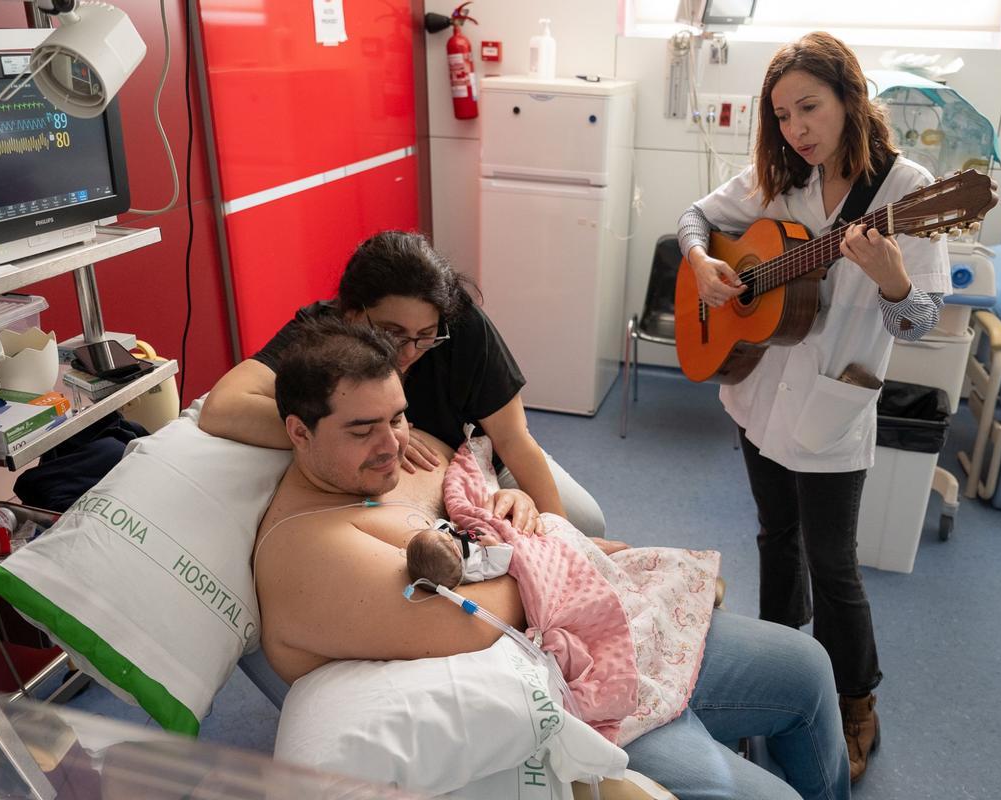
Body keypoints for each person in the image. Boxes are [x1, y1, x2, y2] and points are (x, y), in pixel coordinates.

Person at [254, 316, 851, 800]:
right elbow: (469, 621)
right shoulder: (310, 551)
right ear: (298, 432)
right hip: (568, 696)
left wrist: (513, 504)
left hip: (596, 631)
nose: (392, 445)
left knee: (807, 665)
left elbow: (481, 483)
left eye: (398, 416)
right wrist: (557, 551)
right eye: (362, 430)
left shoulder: (398, 458)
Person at [677, 32, 951, 783]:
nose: (797, 127)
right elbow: (694, 219)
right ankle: (780, 675)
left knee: (833, 566)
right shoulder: (778, 181)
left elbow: (920, 325)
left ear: (849, 98)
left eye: (810, 107)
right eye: (783, 115)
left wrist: (894, 282)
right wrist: (702, 263)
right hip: (758, 392)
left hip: (834, 407)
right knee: (775, 537)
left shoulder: (909, 190)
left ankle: (856, 700)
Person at [200, 230, 606, 538]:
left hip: (482, 463)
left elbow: (515, 439)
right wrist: (374, 435)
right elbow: (223, 407)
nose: (410, 351)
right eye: (393, 332)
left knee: (585, 524)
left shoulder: (461, 328)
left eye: (425, 335)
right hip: (415, 491)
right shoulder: (320, 339)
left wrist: (566, 540)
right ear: (353, 314)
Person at [405, 521, 512, 588]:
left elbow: (441, 524)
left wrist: (451, 526)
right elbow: (498, 567)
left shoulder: (437, 544)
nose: (446, 533)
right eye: (448, 537)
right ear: (456, 551)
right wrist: (494, 545)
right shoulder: (471, 569)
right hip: (484, 543)